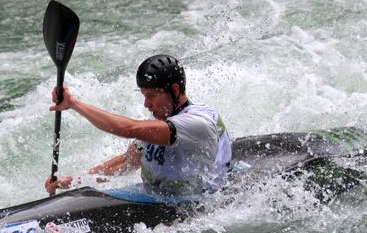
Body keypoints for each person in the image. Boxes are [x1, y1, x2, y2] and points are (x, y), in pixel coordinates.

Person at [45, 54, 232, 198]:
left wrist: (74, 104)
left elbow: (128, 129)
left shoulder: (197, 124)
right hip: (155, 198)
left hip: (194, 203)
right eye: (144, 96)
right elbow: (126, 162)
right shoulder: (162, 122)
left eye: (151, 96)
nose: (146, 105)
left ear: (174, 90)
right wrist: (75, 180)